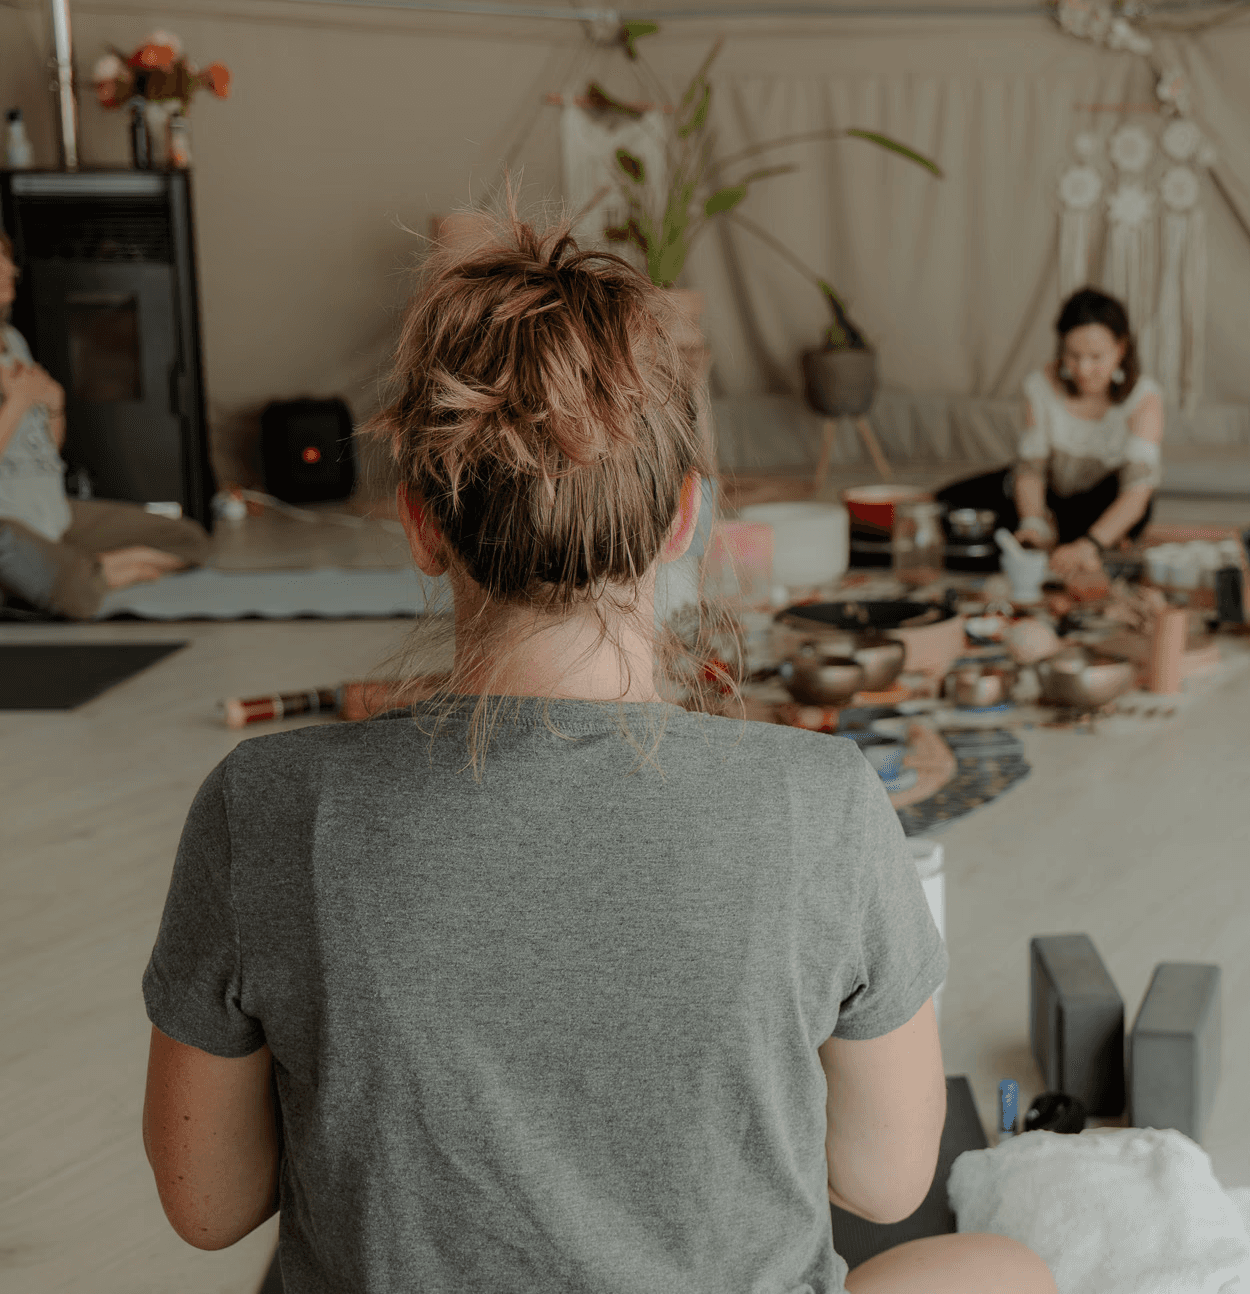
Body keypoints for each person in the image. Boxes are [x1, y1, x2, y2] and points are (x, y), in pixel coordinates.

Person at [140, 211, 1057, 1294]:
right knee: (1004, 1270)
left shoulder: (263, 804)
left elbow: (207, 1205)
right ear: (682, 519)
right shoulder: (820, 800)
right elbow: (886, 1180)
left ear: (421, 524)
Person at [0, 229, 210, 618]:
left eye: (8, 261)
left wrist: (56, 407)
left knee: (188, 539)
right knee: (31, 565)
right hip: (7, 525)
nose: (9, 269)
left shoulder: (13, 342)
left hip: (53, 513)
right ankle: (85, 576)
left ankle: (77, 571)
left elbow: (45, 453)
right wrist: (18, 402)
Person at [935, 287, 1163, 582]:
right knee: (943, 504)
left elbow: (1136, 493)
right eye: (1073, 356)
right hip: (1047, 492)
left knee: (1126, 505)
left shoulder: (1144, 398)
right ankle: (1046, 533)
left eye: (1096, 357)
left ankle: (1091, 540)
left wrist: (1088, 545)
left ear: (1120, 350)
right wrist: (1033, 523)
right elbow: (1031, 470)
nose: (1083, 369)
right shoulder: (1040, 385)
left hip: (1100, 503)